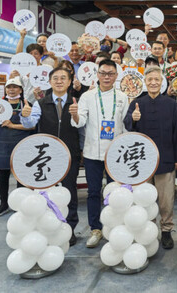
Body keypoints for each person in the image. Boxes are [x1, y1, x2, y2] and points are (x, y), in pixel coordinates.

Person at [124, 66, 177, 250]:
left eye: (156, 79)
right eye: (149, 79)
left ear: (161, 82)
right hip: (141, 161)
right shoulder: (137, 103)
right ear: (145, 81)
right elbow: (127, 126)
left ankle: (166, 230)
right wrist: (133, 118)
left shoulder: (170, 103)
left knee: (166, 199)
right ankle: (147, 230)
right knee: (144, 199)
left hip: (166, 158)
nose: (153, 82)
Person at [70, 59, 129, 247]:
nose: (106, 77)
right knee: (94, 192)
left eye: (110, 73)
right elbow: (80, 122)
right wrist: (74, 114)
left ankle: (114, 227)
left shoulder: (122, 96)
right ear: (97, 75)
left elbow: (127, 126)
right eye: (103, 73)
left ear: (116, 76)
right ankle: (95, 229)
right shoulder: (88, 96)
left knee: (116, 193)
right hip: (92, 153)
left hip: (116, 154)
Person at [21, 67, 80, 246]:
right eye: (55, 78)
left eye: (63, 78)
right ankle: (49, 227)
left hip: (70, 153)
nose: (59, 81)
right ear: (50, 82)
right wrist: (25, 116)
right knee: (46, 192)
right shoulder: (41, 103)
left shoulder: (75, 102)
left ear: (70, 82)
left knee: (70, 190)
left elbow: (82, 127)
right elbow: (31, 122)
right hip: (46, 155)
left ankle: (69, 228)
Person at [0, 77, 33, 217]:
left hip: (21, 144)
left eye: (15, 87)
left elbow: (32, 126)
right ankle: (3, 204)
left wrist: (12, 125)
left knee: (21, 175)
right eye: (9, 87)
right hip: (1, 144)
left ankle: (21, 203)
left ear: (20, 89)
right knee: (2, 175)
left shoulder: (27, 104)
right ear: (5, 89)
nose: (11, 89)